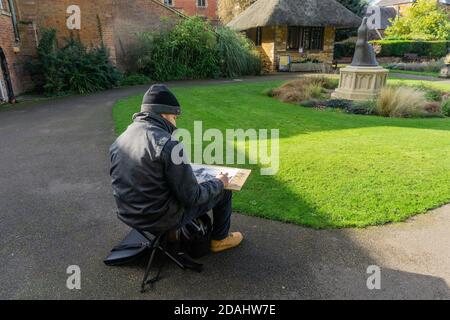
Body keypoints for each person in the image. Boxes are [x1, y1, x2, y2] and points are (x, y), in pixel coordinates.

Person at [109, 84, 243, 253]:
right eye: (174, 118)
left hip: (128, 213)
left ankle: (172, 235)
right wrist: (220, 182)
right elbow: (193, 197)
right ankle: (220, 240)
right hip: (159, 218)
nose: (175, 124)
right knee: (224, 191)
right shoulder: (169, 145)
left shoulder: (120, 140)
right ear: (164, 114)